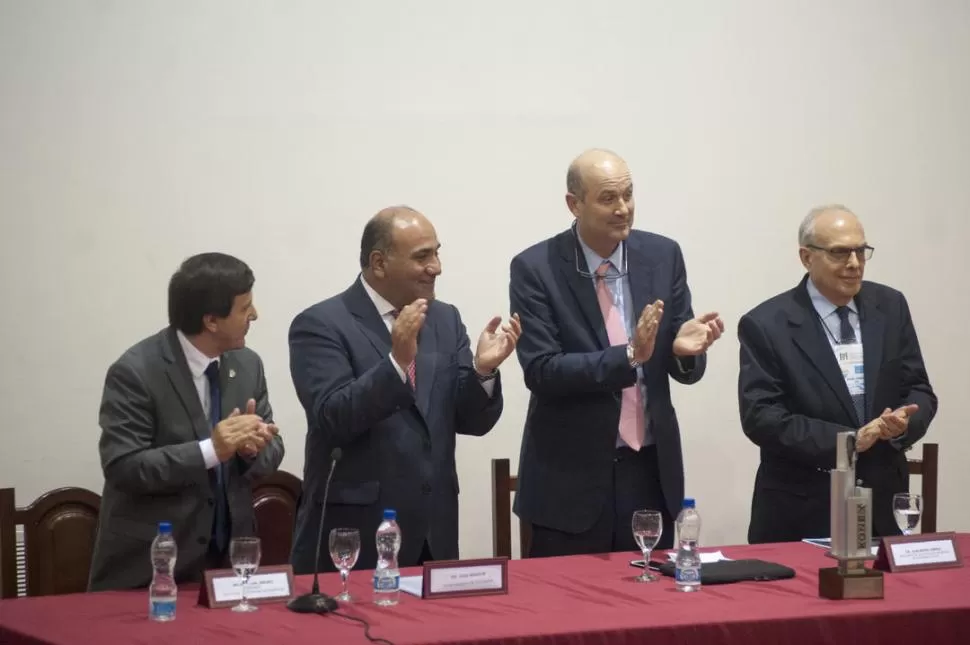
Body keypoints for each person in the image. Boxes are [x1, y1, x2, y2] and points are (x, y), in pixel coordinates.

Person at [509, 149, 724, 557]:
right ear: (574, 204)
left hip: (650, 470)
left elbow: (684, 364)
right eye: (608, 198)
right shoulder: (536, 267)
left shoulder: (663, 256)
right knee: (568, 613)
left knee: (653, 607)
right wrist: (628, 356)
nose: (623, 208)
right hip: (569, 480)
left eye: (628, 194)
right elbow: (542, 370)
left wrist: (683, 352)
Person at [289, 206, 521, 573]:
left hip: (434, 534)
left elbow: (470, 420)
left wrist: (483, 370)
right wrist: (397, 363)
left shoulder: (444, 318)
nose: (437, 266)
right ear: (379, 263)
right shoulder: (320, 325)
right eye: (422, 256)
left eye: (437, 252)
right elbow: (333, 416)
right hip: (356, 539)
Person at [738, 205, 937, 543]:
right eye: (839, 252)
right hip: (801, 510)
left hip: (881, 505)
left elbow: (918, 388)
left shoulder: (890, 306)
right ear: (806, 257)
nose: (854, 263)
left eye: (861, 250)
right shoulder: (766, 324)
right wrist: (849, 441)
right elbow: (762, 417)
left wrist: (904, 422)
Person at [89, 252, 284, 591]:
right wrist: (212, 450)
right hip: (150, 571)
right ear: (211, 321)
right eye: (244, 308)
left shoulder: (247, 364)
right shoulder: (136, 372)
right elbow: (123, 465)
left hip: (229, 570)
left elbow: (272, 446)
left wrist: (252, 449)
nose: (255, 314)